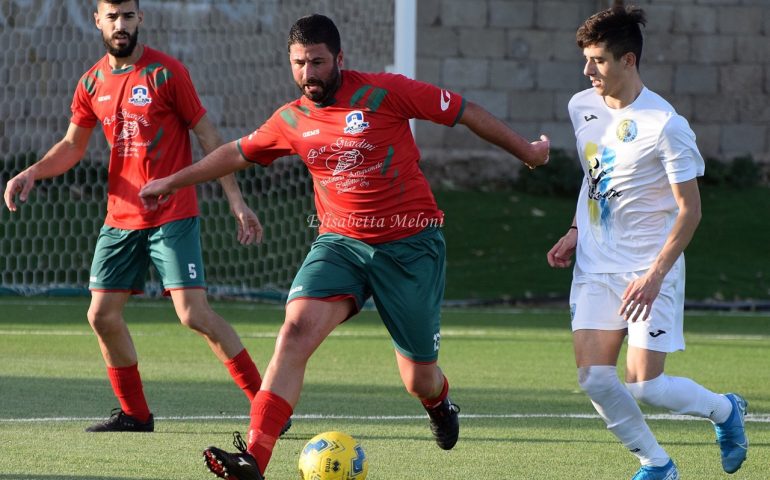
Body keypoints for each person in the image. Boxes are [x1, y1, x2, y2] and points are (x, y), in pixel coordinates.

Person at [139, 13, 550, 479]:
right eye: (299, 63)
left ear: (339, 59)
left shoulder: (385, 92)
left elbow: (463, 111)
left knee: (419, 378)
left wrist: (528, 153)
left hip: (410, 246)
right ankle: (255, 457)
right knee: (294, 332)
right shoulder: (291, 119)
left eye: (317, 62)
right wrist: (174, 180)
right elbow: (236, 152)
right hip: (340, 244)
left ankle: (439, 403)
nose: (308, 73)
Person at [3, 0, 268, 433]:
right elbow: (73, 145)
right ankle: (135, 415)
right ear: (98, 21)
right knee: (101, 315)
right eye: (112, 17)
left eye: (128, 16)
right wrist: (32, 171)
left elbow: (210, 140)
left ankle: (267, 403)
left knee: (193, 314)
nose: (121, 25)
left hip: (173, 215)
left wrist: (236, 201)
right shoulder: (90, 82)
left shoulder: (167, 73)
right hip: (120, 218)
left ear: (140, 18)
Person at [547, 5, 748, 480]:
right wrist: (577, 229)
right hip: (596, 265)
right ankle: (656, 463)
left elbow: (690, 210)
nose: (587, 70)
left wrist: (655, 276)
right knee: (594, 377)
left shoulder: (666, 125)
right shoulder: (582, 107)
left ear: (629, 60)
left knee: (644, 386)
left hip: (649, 268)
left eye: (598, 60)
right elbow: (593, 175)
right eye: (586, 59)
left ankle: (724, 411)